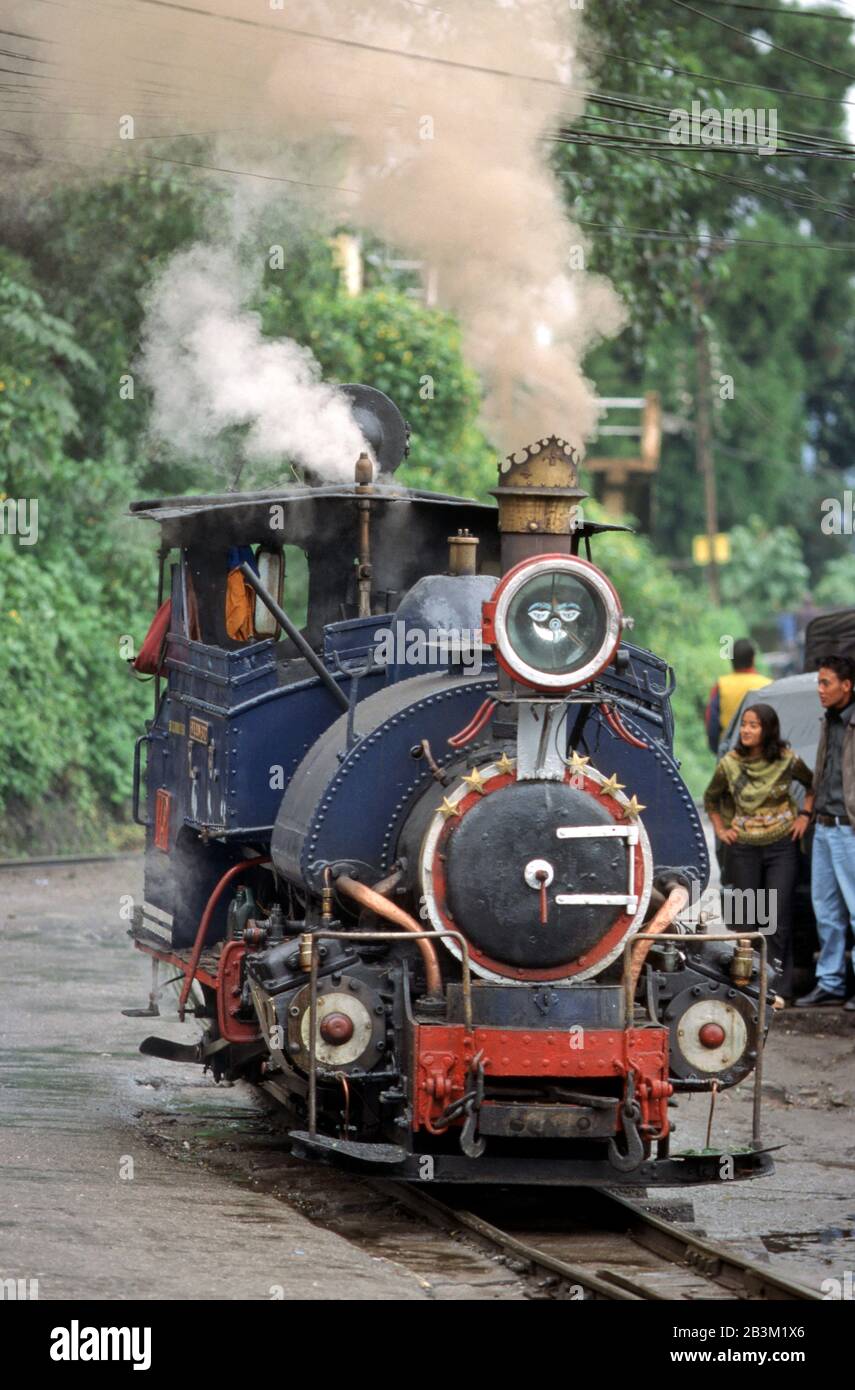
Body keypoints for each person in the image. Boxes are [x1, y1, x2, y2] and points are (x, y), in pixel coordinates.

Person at [704, 703, 813, 1002]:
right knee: (745, 916)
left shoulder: (787, 760)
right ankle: (744, 984)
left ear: (768, 730)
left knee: (775, 916)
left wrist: (804, 815)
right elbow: (711, 800)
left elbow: (812, 785)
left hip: (781, 846)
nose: (746, 730)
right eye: (744, 724)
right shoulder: (730, 763)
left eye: (754, 725)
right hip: (743, 848)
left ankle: (777, 988)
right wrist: (721, 830)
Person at [795, 654, 855, 1010]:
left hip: (849, 830)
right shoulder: (828, 720)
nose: (819, 690)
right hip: (825, 828)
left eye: (825, 683)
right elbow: (821, 772)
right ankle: (830, 982)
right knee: (827, 912)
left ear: (846, 686)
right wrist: (809, 812)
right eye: (818, 682)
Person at [705, 638, 770, 755]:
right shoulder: (767, 685)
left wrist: (718, 749)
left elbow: (712, 723)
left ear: (731, 659)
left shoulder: (721, 685)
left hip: (730, 751)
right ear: (753, 658)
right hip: (761, 752)